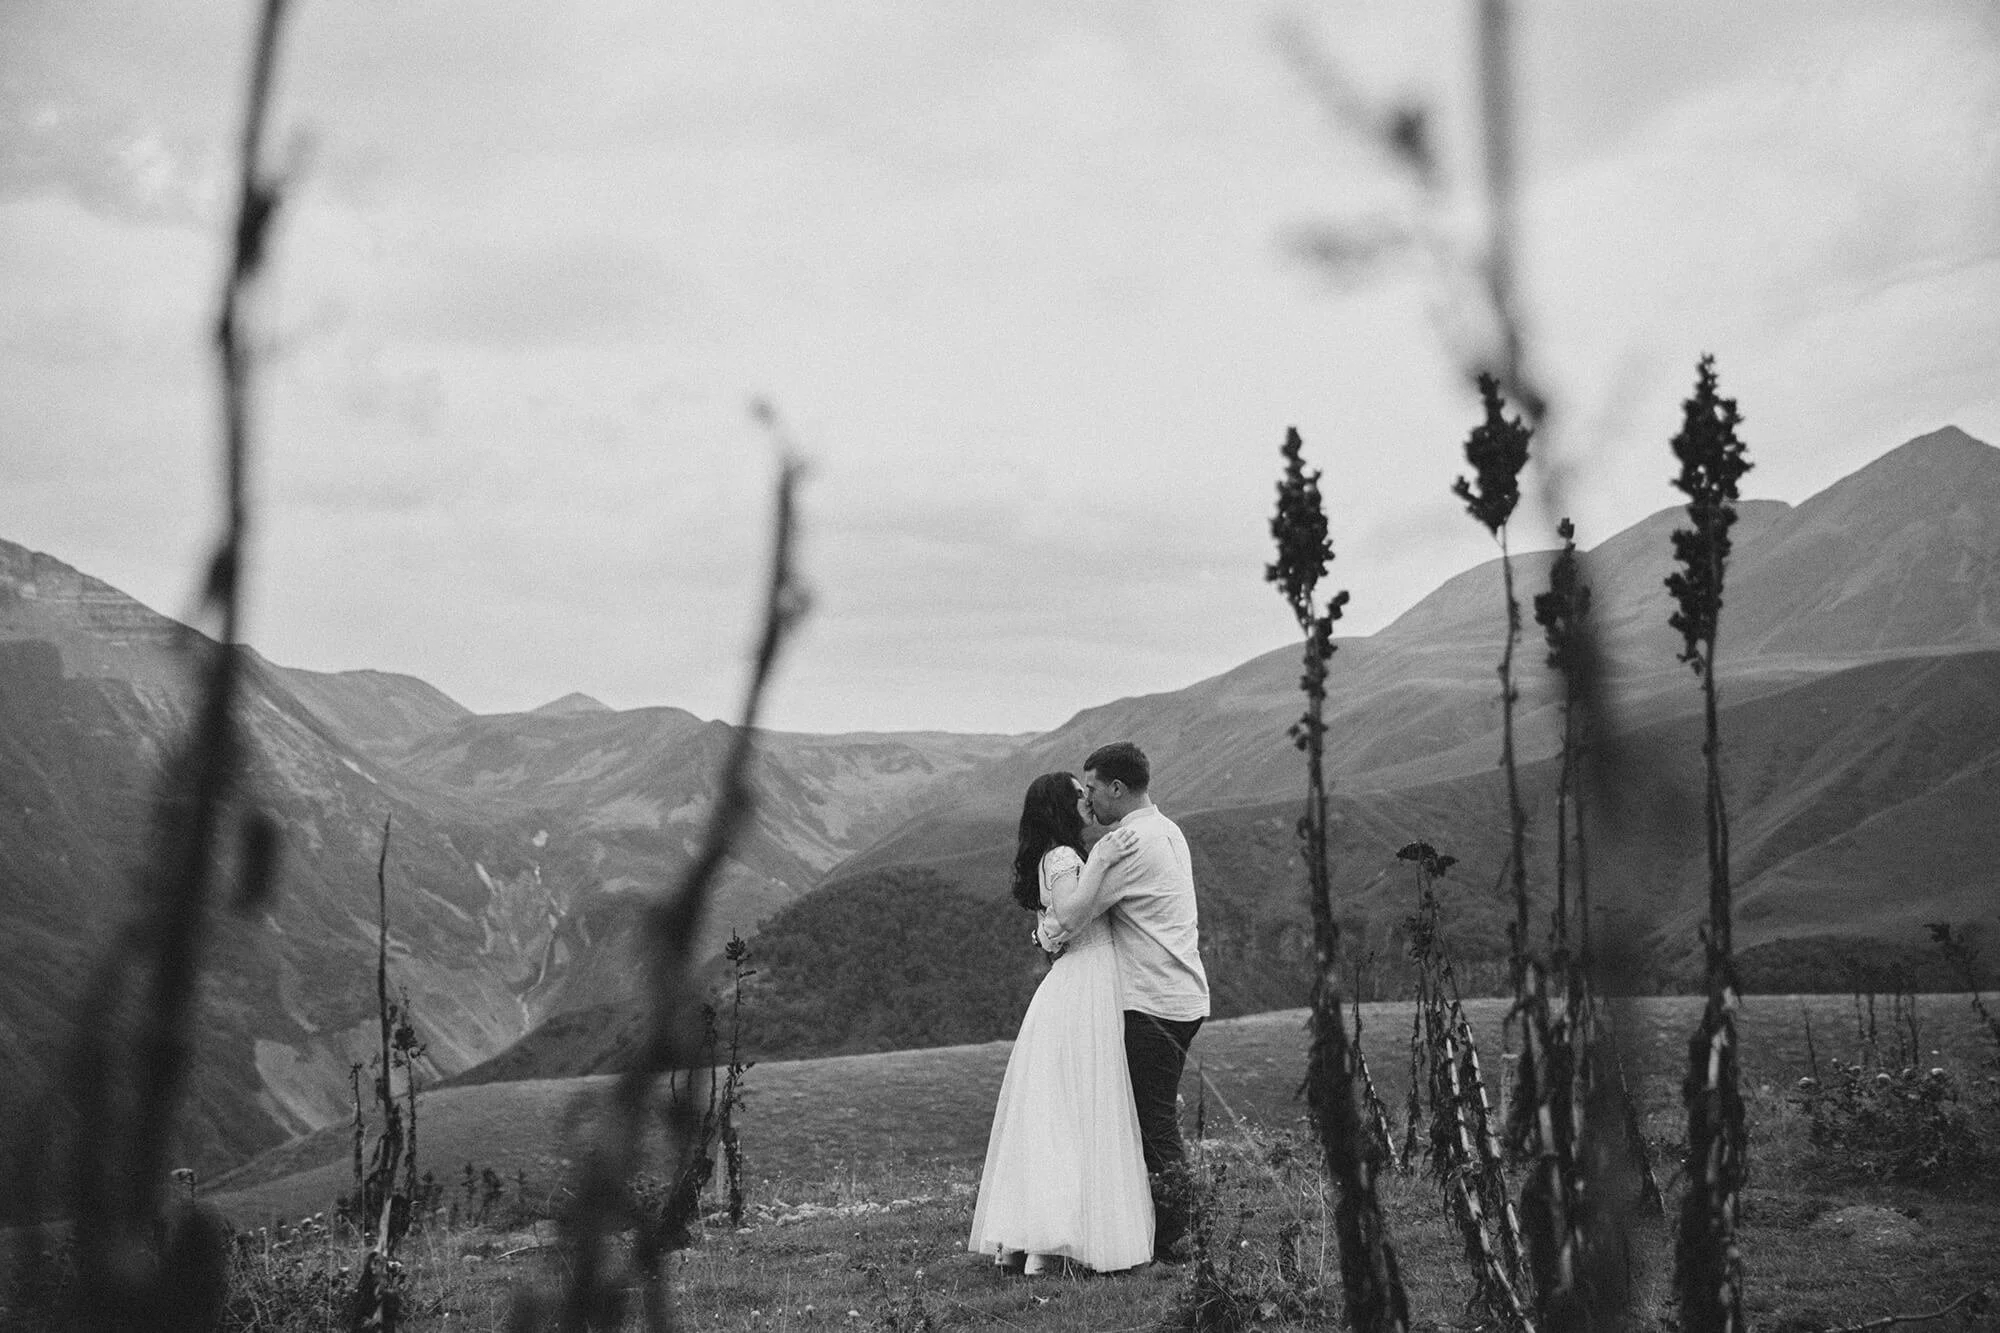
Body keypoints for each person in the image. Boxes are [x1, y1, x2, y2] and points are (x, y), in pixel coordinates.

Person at [966, 772, 1154, 1275]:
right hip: (1087, 977)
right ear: (1062, 807)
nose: (1085, 798)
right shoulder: (1069, 858)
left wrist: (1045, 935)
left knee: (1052, 1106)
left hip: (1070, 980)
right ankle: (1050, 1244)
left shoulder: (1052, 858)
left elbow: (1057, 924)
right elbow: (1072, 912)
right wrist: (1106, 860)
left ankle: (1023, 1241)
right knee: (1082, 1101)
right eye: (1077, 793)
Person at [1038, 741, 1209, 1264]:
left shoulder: (1129, 844)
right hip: (1182, 994)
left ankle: (1175, 1235)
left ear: (1116, 788)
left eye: (1091, 788)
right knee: (1153, 1113)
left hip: (1151, 999)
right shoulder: (1166, 828)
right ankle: (1167, 1225)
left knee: (1149, 1119)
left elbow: (1073, 916)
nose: (1086, 798)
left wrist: (1043, 934)